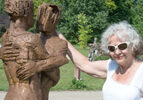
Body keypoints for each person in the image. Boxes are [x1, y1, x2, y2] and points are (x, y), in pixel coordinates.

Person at [58, 21, 143, 100]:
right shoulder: (112, 66)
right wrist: (59, 36)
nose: (117, 52)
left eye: (122, 46)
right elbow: (84, 65)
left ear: (133, 45)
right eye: (111, 48)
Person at [17, 3, 69, 100]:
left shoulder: (60, 43)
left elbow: (60, 63)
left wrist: (38, 66)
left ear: (54, 20)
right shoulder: (31, 38)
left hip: (42, 94)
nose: (39, 21)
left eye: (45, 17)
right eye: (38, 17)